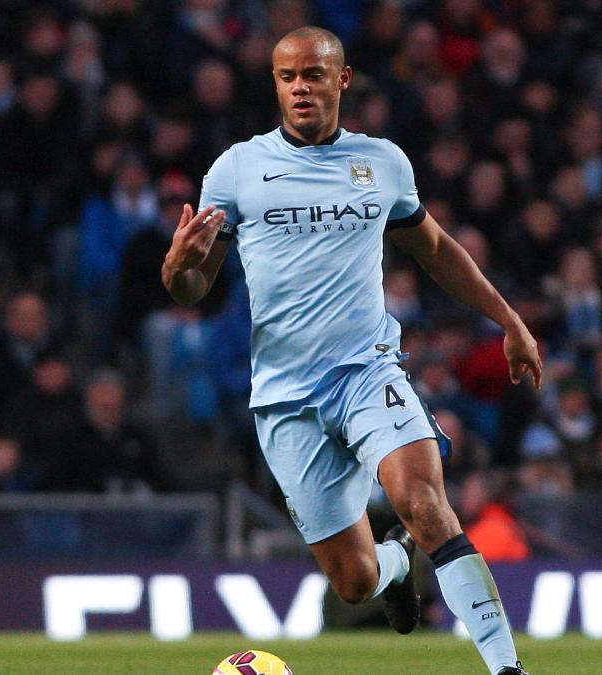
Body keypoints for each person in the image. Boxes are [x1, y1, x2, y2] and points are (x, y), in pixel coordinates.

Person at [161, 27, 540, 675]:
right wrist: (178, 266)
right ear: (275, 84)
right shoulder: (237, 170)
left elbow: (438, 250)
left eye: (313, 74)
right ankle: (397, 567)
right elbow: (193, 287)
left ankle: (508, 668)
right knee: (353, 580)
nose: (300, 87)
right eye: (288, 77)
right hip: (287, 398)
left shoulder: (384, 163)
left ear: (342, 79)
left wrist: (507, 318)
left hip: (368, 373)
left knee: (423, 501)